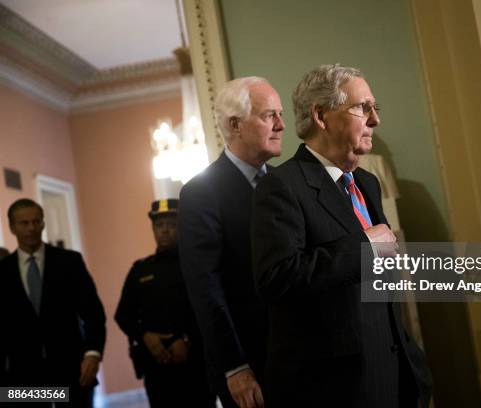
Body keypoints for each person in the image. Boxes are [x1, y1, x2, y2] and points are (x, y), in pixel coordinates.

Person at [251, 64, 433, 408]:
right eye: (363, 108)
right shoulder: (281, 186)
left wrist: (414, 368)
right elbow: (276, 278)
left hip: (395, 380)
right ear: (321, 115)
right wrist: (364, 247)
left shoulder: (367, 183)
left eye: (375, 108)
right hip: (336, 390)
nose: (375, 120)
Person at [179, 76, 284, 408]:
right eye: (270, 115)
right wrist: (234, 366)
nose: (281, 125)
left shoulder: (285, 183)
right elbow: (205, 287)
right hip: (250, 365)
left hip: (299, 357)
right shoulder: (201, 193)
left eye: (280, 115)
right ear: (236, 125)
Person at [0, 198, 106, 407]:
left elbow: (93, 312)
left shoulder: (69, 262)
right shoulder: (2, 272)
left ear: (43, 223)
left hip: (71, 372)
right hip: (23, 378)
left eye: (36, 221)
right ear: (12, 227)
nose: (31, 228)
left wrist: (93, 353)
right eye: (24, 223)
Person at [115, 199, 215, 408]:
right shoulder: (140, 270)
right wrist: (145, 336)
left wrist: (187, 340)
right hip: (156, 365)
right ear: (153, 229)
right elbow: (123, 314)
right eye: (160, 225)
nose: (165, 231)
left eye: (171, 224)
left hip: (195, 363)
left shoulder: (196, 265)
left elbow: (210, 308)